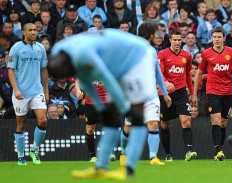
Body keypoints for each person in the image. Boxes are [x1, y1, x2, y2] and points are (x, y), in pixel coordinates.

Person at [48, 29, 157, 180]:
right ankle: (100, 168)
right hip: (116, 60)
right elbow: (85, 79)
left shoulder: (83, 54)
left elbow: (106, 78)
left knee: (136, 114)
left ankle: (129, 170)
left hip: (136, 57)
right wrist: (101, 107)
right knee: (110, 115)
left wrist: (124, 109)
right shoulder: (57, 52)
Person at [192, 27, 232, 161]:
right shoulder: (206, 53)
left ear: (224, 38)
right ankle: (218, 151)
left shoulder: (231, 52)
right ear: (212, 38)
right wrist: (194, 93)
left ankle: (220, 149)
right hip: (213, 91)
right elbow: (199, 73)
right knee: (216, 119)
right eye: (215, 37)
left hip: (228, 91)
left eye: (219, 37)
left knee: (224, 122)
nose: (217, 39)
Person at [120, 22, 172, 166]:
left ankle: (153, 157)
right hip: (133, 95)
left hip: (151, 95)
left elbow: (157, 73)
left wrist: (165, 93)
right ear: (150, 34)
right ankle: (123, 153)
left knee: (153, 123)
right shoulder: (131, 49)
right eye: (156, 32)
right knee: (128, 127)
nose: (158, 35)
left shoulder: (153, 51)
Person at [8, 23, 49, 165]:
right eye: (30, 30)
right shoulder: (16, 48)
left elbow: (44, 70)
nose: (33, 32)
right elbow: (11, 70)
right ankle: (20, 156)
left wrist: (46, 90)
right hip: (21, 93)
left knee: (43, 120)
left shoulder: (41, 48)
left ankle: (34, 150)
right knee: (21, 125)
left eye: (35, 30)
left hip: (37, 91)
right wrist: (16, 89)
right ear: (24, 33)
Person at [158, 30, 197, 161]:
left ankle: (189, 151)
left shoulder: (186, 55)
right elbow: (159, 72)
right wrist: (165, 82)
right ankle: (168, 153)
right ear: (170, 40)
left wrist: (192, 93)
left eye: (179, 40)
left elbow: (187, 75)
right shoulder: (162, 54)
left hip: (181, 93)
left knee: (186, 121)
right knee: (164, 124)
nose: (177, 42)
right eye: (175, 40)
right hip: (165, 93)